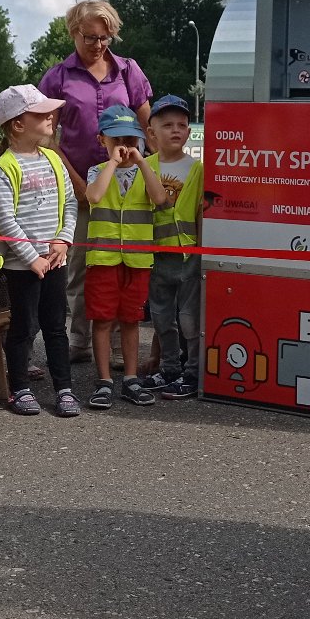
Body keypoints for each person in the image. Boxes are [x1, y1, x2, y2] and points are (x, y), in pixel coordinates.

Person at [38, 0, 152, 362]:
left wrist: (147, 176)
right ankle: (80, 340)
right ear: (73, 31)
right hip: (78, 186)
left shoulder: (128, 71)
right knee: (82, 266)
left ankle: (119, 345)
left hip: (126, 188)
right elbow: (47, 137)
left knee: (124, 265)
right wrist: (74, 182)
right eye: (90, 37)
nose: (98, 45)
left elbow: (148, 127)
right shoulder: (57, 78)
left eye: (106, 38)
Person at [0, 84, 77, 416]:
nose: (51, 117)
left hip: (55, 259)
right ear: (17, 124)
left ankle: (64, 389)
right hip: (22, 266)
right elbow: (5, 220)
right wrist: (31, 258)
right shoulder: (4, 168)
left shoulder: (53, 158)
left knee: (56, 326)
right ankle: (20, 388)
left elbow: (70, 204)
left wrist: (62, 240)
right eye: (41, 113)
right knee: (23, 328)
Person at [82, 105, 166, 409]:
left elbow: (160, 199)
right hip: (103, 259)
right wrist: (112, 165)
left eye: (130, 139)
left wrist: (142, 162)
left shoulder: (148, 170)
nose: (124, 147)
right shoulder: (96, 171)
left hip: (137, 260)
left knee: (131, 320)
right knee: (103, 320)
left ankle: (130, 378)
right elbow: (93, 196)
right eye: (116, 140)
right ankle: (104, 380)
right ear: (101, 139)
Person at [142, 95, 203, 400]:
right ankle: (169, 369)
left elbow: (201, 215)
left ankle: (193, 372)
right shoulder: (144, 166)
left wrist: (203, 253)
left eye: (181, 125)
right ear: (151, 132)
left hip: (188, 256)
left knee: (190, 318)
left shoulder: (198, 169)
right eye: (167, 125)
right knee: (162, 317)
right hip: (156, 256)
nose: (175, 130)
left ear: (189, 132)